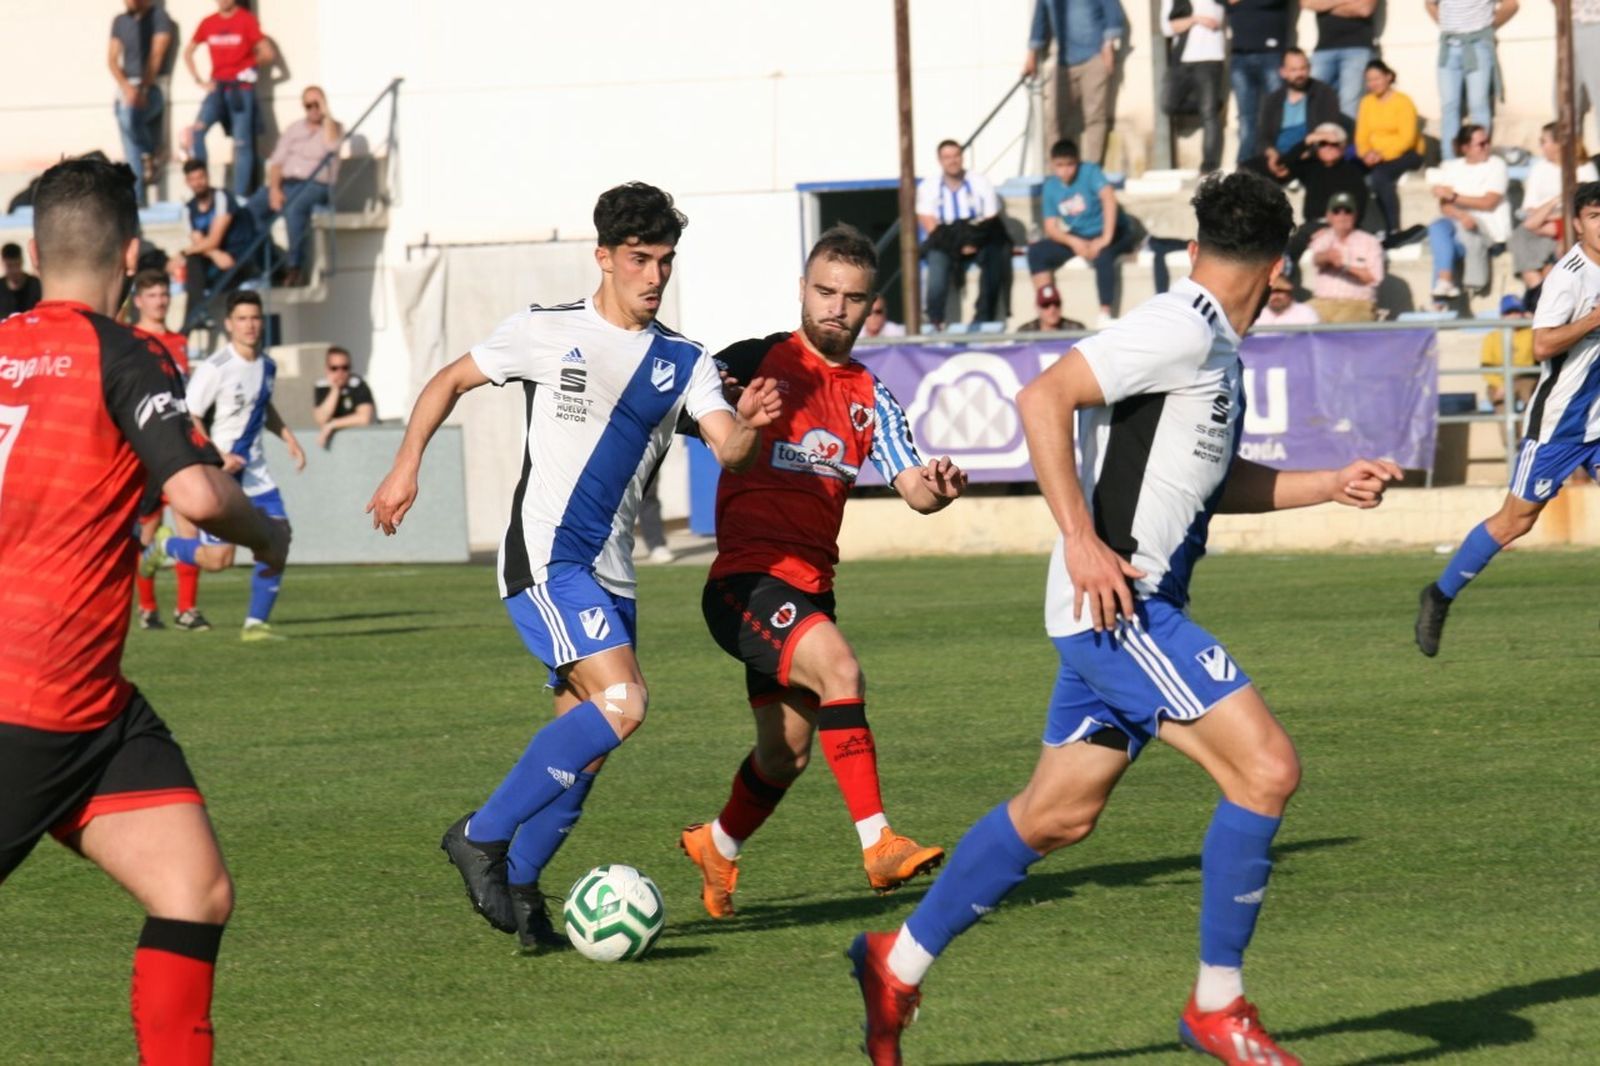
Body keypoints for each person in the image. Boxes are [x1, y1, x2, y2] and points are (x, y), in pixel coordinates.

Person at [847, 170, 1402, 1066]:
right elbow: (1041, 397)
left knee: (1057, 813)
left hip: (1121, 610)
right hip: (1123, 608)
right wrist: (1081, 540)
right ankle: (1218, 1005)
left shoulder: (1211, 345)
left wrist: (1329, 485)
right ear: (1279, 270)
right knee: (1266, 770)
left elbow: (1212, 483)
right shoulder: (1181, 327)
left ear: (1197, 249)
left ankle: (895, 963)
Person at [364, 182, 782, 952]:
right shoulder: (546, 331)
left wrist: (750, 425)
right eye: (639, 259)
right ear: (603, 257)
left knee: (583, 748)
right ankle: (480, 836)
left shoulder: (684, 361)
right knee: (625, 702)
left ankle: (523, 893)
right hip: (547, 557)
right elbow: (449, 380)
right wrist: (405, 465)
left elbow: (729, 447)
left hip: (613, 577)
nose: (654, 276)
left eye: (665, 260)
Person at [0, 155, 288, 1065]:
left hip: (92, 710)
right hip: (31, 702)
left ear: (35, 252)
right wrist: (269, 535)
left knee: (192, 891)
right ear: (131, 255)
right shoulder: (126, 354)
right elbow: (198, 496)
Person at [678, 226, 967, 918]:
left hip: (810, 591)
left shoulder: (871, 395)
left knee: (785, 755)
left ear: (871, 306)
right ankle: (879, 844)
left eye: (853, 298)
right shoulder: (753, 360)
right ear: (803, 290)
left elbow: (914, 488)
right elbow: (678, 407)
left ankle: (716, 844)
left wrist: (939, 487)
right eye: (825, 291)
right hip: (744, 581)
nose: (837, 307)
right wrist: (731, 412)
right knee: (841, 670)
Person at [1417, 183, 1600, 656]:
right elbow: (1541, 345)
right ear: (1577, 224)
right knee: (1515, 522)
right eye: (1595, 216)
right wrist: (1591, 320)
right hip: (1560, 424)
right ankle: (1439, 595)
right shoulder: (1568, 277)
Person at [150, 290, 306, 641]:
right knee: (218, 560)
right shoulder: (216, 367)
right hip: (223, 475)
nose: (250, 325)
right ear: (229, 324)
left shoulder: (267, 366)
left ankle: (255, 624)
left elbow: (262, 407)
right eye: (242, 319)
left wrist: (288, 437)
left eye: (255, 318)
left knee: (279, 540)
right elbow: (189, 416)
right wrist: (218, 455)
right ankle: (165, 546)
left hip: (257, 475)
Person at [128, 268, 209, 632]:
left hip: (178, 447)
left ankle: (186, 609)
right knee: (147, 533)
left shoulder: (179, 342)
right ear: (138, 301)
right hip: (144, 452)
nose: (160, 301)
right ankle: (147, 608)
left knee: (189, 525)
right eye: (152, 295)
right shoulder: (130, 340)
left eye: (164, 294)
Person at [1027, 138, 1139, 326]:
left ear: (1077, 162)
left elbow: (1109, 200)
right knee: (1037, 252)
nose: (1065, 171)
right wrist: (1073, 242)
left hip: (1113, 230)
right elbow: (1051, 227)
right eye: (1060, 165)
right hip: (1080, 234)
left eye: (1070, 165)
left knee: (1103, 255)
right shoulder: (1050, 187)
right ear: (1052, 164)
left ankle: (1105, 313)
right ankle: (1047, 304)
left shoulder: (1090, 172)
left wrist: (1105, 238)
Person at [247, 85, 341, 288]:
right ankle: (271, 263)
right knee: (251, 209)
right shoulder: (294, 129)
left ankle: (295, 267)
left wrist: (326, 114)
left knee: (295, 207)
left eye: (317, 104)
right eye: (309, 105)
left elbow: (333, 145)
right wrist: (274, 189)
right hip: (286, 182)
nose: (313, 109)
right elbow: (276, 163)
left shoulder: (333, 127)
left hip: (316, 184)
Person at [182, 0, 275, 197]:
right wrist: (199, 80)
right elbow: (188, 51)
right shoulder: (208, 22)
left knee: (242, 143)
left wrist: (249, 66)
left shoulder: (246, 20)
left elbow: (267, 53)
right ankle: (201, 187)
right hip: (218, 86)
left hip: (240, 88)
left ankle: (240, 196)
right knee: (197, 132)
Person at [915, 140, 1009, 329]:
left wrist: (972, 242)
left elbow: (990, 218)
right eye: (947, 157)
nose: (952, 161)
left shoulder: (980, 182)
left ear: (962, 157)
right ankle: (935, 319)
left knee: (996, 256)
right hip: (945, 240)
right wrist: (957, 245)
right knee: (936, 264)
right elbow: (928, 222)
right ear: (940, 160)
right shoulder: (928, 186)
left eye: (956, 156)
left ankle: (984, 316)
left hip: (978, 237)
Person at [1025, 0, 1127, 166]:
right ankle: (1058, 169)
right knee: (1054, 120)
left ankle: (1092, 169)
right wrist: (1031, 55)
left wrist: (1108, 45)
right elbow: (1039, 22)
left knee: (1095, 117)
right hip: (1063, 63)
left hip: (1094, 58)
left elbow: (1113, 14)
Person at [1426, 124, 1511, 301]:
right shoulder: (1452, 167)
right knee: (1437, 227)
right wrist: (1462, 215)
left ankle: (1440, 297)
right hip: (1460, 225)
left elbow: (1488, 202)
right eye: (1481, 144)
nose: (1487, 147)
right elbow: (1444, 206)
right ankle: (1444, 283)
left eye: (1488, 142)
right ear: (1465, 148)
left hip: (1488, 230)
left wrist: (1454, 197)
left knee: (1444, 245)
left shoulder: (1496, 165)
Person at [1426, 0, 1519, 159]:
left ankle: (1479, 156)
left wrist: (1488, 27)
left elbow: (1511, 4)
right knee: (1449, 106)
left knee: (1478, 104)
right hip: (1449, 44)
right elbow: (1430, 4)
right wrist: (1448, 25)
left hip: (1478, 44)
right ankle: (1450, 160)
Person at [1512, 123, 1599, 288]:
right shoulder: (1539, 168)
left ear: (1558, 144)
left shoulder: (1585, 168)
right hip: (1541, 225)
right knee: (1520, 234)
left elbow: (1591, 207)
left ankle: (1540, 288)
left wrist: (1556, 215)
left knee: (1558, 252)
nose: (1541, 146)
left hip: (1568, 225)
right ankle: (1535, 285)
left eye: (1543, 141)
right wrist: (1556, 204)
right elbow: (1529, 209)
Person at [1244, 49, 1346, 184]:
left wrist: (1303, 155)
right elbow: (1264, 136)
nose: (1299, 74)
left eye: (1303, 69)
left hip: (1309, 156)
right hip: (1279, 156)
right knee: (1245, 171)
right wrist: (1271, 154)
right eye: (1293, 70)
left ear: (1309, 68)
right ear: (1283, 72)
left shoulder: (1324, 94)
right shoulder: (1273, 99)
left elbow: (1329, 132)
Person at [109, 0, 175, 205]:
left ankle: (139, 191)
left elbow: (156, 56)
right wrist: (127, 87)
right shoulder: (120, 21)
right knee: (130, 144)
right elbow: (112, 59)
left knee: (129, 120)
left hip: (152, 86)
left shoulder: (159, 18)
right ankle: (149, 155)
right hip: (127, 87)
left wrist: (142, 89)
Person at [1282, 123, 1371, 269]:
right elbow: (1286, 162)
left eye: (1334, 144)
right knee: (1285, 254)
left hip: (1344, 223)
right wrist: (1308, 140)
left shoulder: (1353, 170)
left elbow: (1359, 206)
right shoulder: (1311, 167)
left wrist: (1334, 230)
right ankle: (1282, 280)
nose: (1328, 147)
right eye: (1323, 143)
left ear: (1343, 146)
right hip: (1312, 226)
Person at [1355, 59, 1426, 239]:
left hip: (1406, 153)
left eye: (1377, 78)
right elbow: (1361, 135)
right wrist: (1365, 154)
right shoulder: (1366, 102)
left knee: (1380, 176)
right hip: (1374, 155)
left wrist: (1381, 155)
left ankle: (1393, 228)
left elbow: (1407, 138)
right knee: (1349, 171)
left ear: (1388, 77)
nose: (1373, 83)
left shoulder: (1403, 101)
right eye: (1369, 80)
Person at [1161, 0, 1226, 174]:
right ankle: (1213, 105)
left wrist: (1184, 22)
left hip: (1210, 58)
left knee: (1209, 116)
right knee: (1168, 104)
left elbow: (1215, 20)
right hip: (1181, 59)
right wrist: (1196, 19)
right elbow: (1167, 28)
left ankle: (1209, 165)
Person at [1224, 0, 1290, 165]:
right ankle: (1246, 164)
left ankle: (1278, 162)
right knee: (1246, 116)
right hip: (1239, 54)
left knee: (1277, 111)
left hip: (1271, 52)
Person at [180, 160, 257, 298]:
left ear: (208, 176)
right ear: (187, 182)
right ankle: (195, 310)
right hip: (218, 259)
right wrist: (216, 255)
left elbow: (215, 239)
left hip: (239, 254)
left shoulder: (222, 197)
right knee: (194, 261)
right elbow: (198, 240)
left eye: (200, 177)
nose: (197, 183)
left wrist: (184, 252)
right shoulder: (188, 209)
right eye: (193, 179)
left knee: (217, 273)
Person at [1307, 191, 1384, 321]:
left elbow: (1374, 278)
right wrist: (1327, 257)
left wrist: (1346, 267)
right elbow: (1316, 259)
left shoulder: (1370, 242)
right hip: (1322, 302)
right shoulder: (1323, 238)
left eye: (1347, 211)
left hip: (1357, 304)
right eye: (1336, 211)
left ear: (1355, 215)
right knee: (1297, 319)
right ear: (1329, 216)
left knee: (1342, 324)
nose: (1342, 216)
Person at [1300, 0, 1377, 120]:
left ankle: (1347, 133)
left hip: (1358, 48)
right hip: (1323, 48)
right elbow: (1307, 3)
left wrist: (1325, 6)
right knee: (1310, 100)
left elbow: (1365, 9)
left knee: (1349, 106)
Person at [1479, 290, 1537, 412]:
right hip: (1500, 380)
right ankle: (1512, 425)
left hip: (1525, 378)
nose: (1514, 316)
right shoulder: (1491, 337)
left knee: (1529, 394)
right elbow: (1486, 367)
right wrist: (1500, 384)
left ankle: (1528, 423)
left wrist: (1534, 321)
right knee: (1500, 404)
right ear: (1502, 315)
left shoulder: (1531, 333)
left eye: (1517, 312)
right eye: (1509, 312)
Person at [311, 345, 375, 449]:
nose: (340, 372)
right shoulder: (322, 386)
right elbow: (321, 419)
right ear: (327, 369)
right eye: (334, 368)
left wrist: (332, 424)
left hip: (362, 443)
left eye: (345, 368)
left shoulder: (358, 385)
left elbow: (364, 418)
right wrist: (335, 389)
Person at [1017, 282, 1086, 331]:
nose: (1052, 310)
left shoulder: (1076, 329)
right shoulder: (1025, 332)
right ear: (1037, 308)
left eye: (1057, 304)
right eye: (1046, 305)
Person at [1256, 272, 1321, 324]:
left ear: (1289, 293)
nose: (1275, 296)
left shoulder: (1305, 313)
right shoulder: (1257, 315)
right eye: (1271, 292)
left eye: (1280, 291)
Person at [0, 243, 42, 318]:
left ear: (22, 261)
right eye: (9, 266)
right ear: (3, 263)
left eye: (17, 264)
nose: (14, 270)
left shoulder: (35, 286)